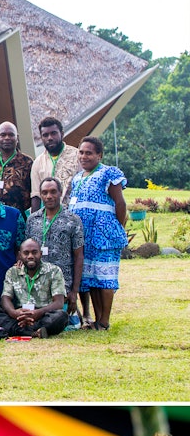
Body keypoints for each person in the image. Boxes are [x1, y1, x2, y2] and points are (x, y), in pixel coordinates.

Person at [69, 136, 128, 331]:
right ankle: (96, 319)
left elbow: (120, 203)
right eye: (81, 152)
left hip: (104, 237)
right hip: (85, 237)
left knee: (105, 277)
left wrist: (115, 228)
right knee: (92, 278)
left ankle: (104, 320)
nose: (84, 156)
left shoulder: (108, 174)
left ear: (99, 155)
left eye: (89, 153)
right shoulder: (78, 178)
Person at [0, 238, 70, 339]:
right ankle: (34, 333)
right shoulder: (12, 272)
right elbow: (5, 298)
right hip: (18, 316)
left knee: (61, 316)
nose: (30, 256)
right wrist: (14, 313)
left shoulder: (54, 271)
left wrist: (38, 313)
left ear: (41, 253)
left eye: (34, 252)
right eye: (26, 253)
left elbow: (59, 303)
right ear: (20, 255)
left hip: (43, 315)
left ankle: (16, 330)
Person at [26, 177, 84, 317]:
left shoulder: (73, 220)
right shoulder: (32, 220)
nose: (49, 196)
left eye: (53, 192)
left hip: (62, 285)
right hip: (36, 283)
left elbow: (78, 256)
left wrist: (74, 291)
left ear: (60, 193)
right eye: (45, 193)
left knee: (59, 319)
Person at [0, 121, 33, 213]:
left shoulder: (27, 163)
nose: (7, 138)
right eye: (3, 135)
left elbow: (35, 193)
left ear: (17, 138)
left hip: (19, 219)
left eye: (11, 135)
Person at [30, 116, 80, 212]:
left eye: (53, 133)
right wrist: (34, 220)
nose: (50, 138)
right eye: (45, 135)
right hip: (49, 216)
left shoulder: (77, 155)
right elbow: (36, 195)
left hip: (74, 213)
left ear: (62, 134)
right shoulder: (38, 162)